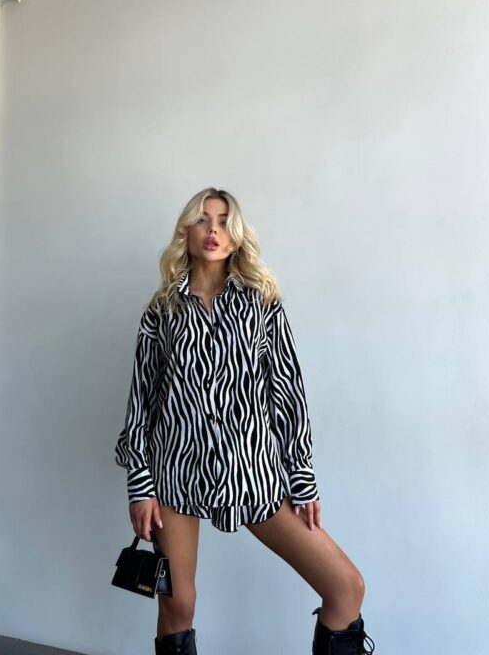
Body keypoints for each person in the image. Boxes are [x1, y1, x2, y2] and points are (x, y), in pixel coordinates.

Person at [114, 187, 375, 655]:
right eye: (202, 220)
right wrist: (140, 485)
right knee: (179, 606)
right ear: (187, 231)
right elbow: (142, 403)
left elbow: (288, 394)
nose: (212, 230)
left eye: (223, 221)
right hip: (175, 473)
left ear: (236, 235)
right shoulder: (162, 311)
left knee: (345, 586)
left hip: (252, 471)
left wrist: (302, 477)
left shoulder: (262, 303)